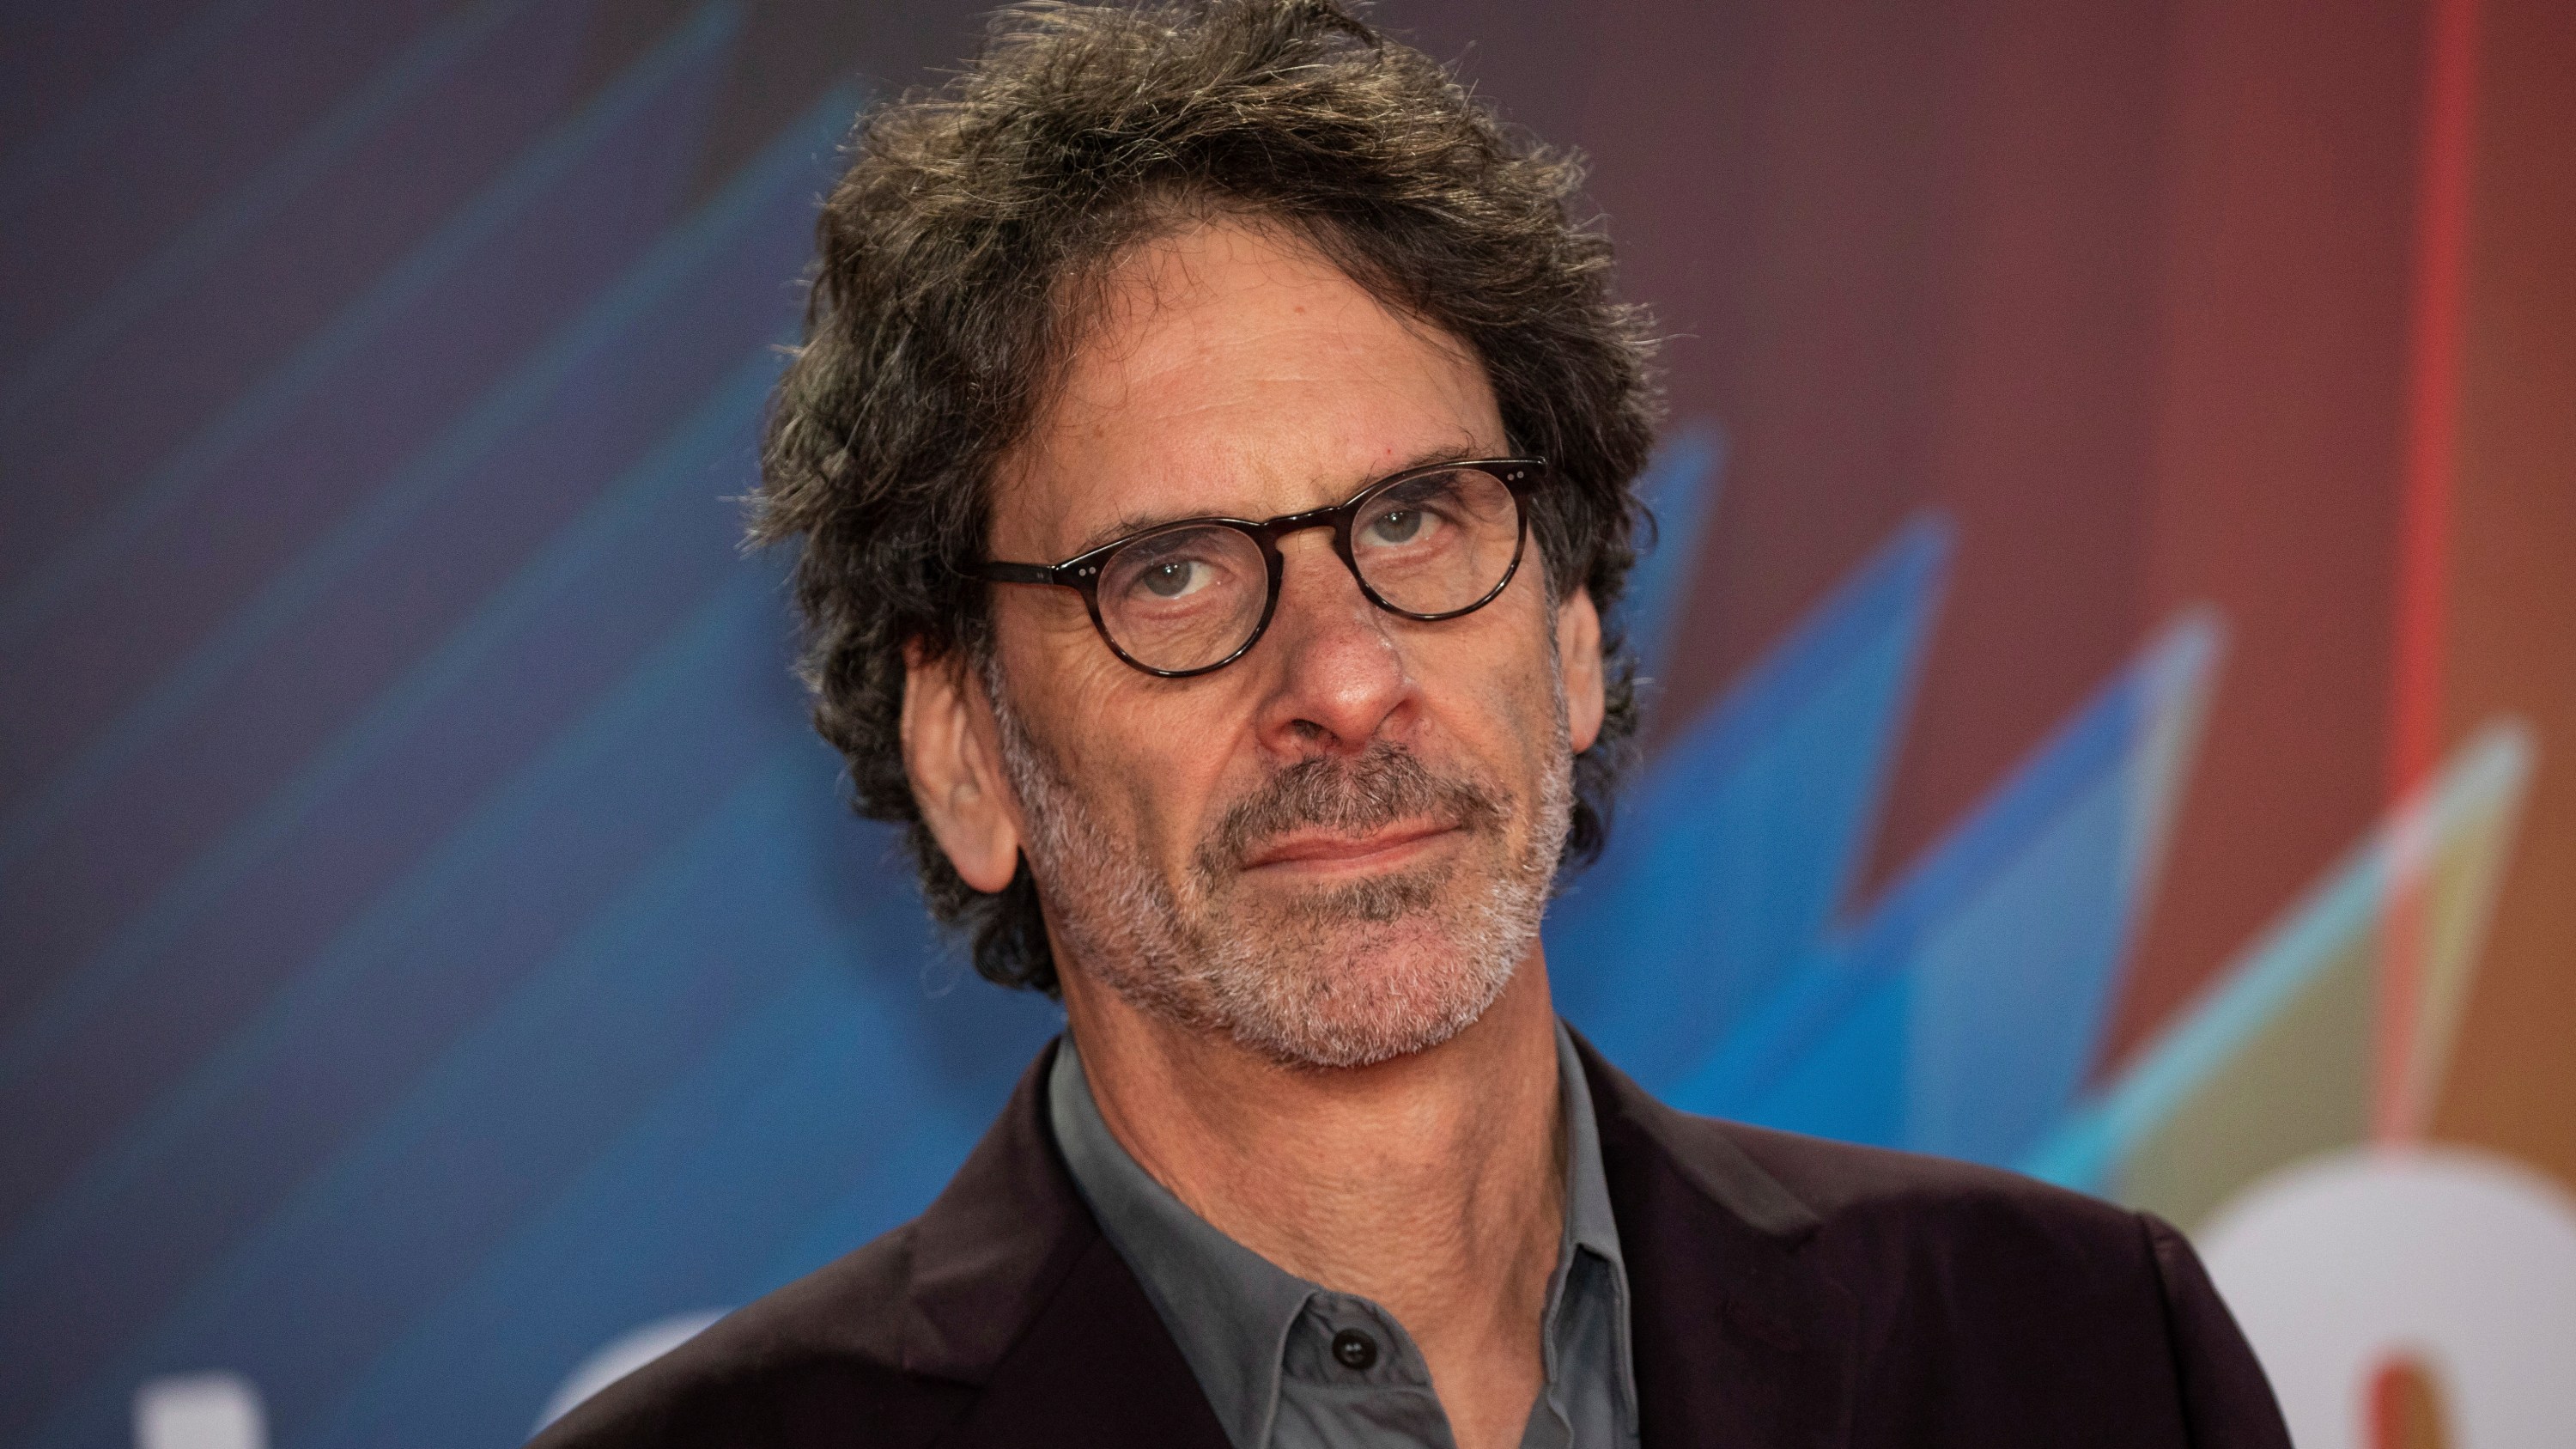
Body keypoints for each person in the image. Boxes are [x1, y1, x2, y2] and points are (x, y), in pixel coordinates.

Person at [532, 3, 2291, 1446]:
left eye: (1416, 519)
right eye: (1173, 576)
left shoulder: (2078, 1358)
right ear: (967, 751)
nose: (1347, 676)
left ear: (1577, 633)